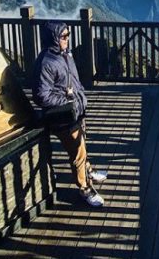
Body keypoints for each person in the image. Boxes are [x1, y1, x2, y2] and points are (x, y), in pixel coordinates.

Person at [32, 21, 107, 207]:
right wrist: (68, 101)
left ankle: (88, 171)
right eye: (63, 36)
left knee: (81, 146)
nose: (67, 39)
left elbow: (74, 81)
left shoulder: (64, 55)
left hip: (76, 112)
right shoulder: (46, 63)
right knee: (77, 153)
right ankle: (85, 189)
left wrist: (78, 99)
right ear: (54, 38)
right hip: (62, 116)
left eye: (68, 35)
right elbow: (41, 96)